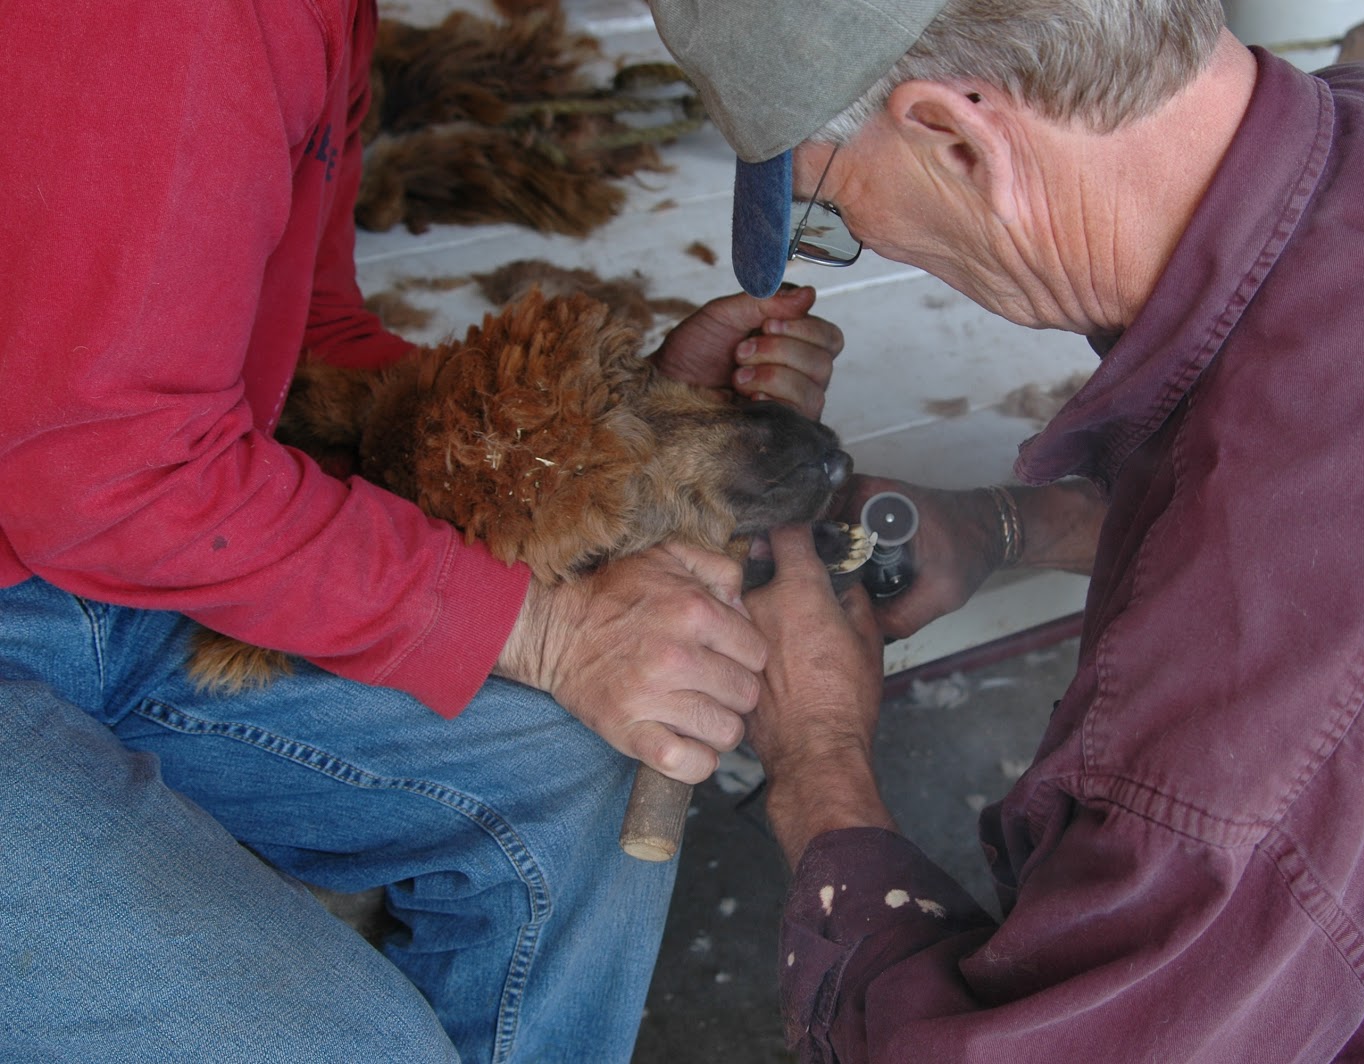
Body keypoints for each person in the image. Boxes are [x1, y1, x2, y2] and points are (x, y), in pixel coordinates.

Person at [649, 0, 1364, 1059]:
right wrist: (1007, 528)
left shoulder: (1243, 756)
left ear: (958, 143)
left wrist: (816, 754)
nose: (856, 244)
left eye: (831, 214)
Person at [0, 3, 843, 1062]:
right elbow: (107, 475)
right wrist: (545, 631)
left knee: (578, 762)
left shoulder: (321, 19)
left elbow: (307, 339)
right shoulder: (185, 22)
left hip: (114, 574)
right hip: (65, 554)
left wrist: (629, 435)